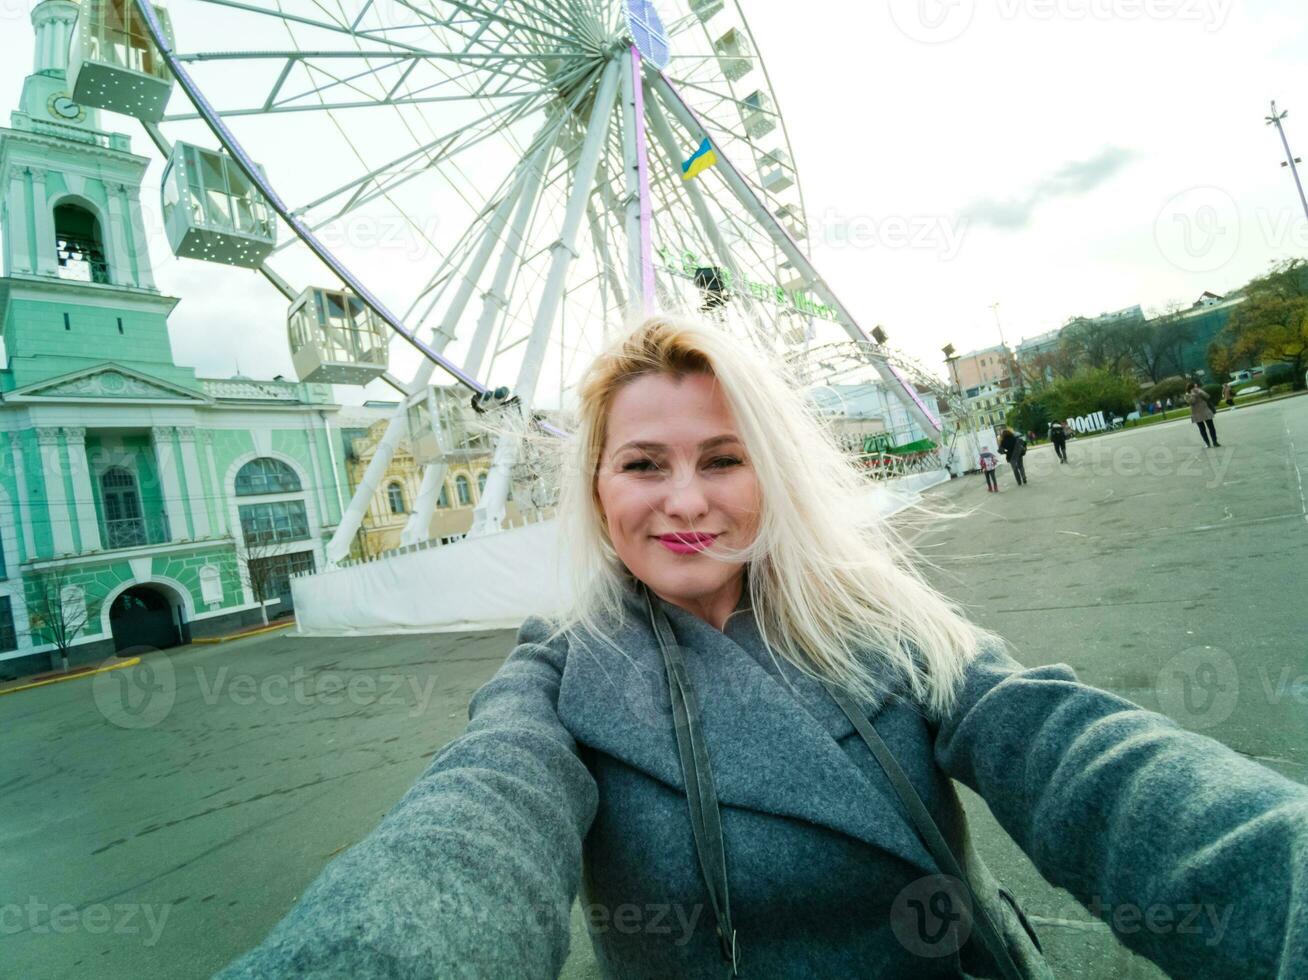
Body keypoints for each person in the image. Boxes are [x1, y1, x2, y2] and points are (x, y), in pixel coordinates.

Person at [216, 316, 1305, 979]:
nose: (684, 499)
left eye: (723, 458)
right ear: (597, 491)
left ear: (771, 472)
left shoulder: (881, 617)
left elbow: (1090, 763)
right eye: (643, 463)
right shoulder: (554, 671)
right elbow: (466, 836)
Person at [1186, 381, 1220, 448]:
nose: (1196, 388)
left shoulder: (1200, 391)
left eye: (1196, 387)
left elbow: (1207, 396)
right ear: (1190, 388)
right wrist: (1193, 394)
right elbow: (1191, 402)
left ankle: (1215, 442)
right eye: (1194, 387)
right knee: (1202, 429)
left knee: (1211, 427)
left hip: (1205, 411)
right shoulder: (1187, 394)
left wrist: (1200, 392)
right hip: (1196, 413)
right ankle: (1207, 443)